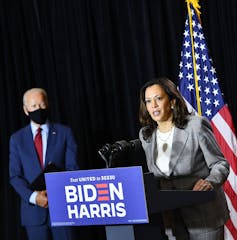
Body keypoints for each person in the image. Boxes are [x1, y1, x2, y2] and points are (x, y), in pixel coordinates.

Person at [138, 77, 230, 240]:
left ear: (172, 101)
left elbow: (220, 164)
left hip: (203, 215)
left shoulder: (195, 126)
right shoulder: (147, 135)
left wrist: (210, 181)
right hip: (171, 219)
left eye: (158, 99)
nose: (153, 106)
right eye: (148, 101)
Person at [9, 88, 79, 240]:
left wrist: (54, 193)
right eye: (34, 106)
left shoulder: (64, 133)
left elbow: (72, 169)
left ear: (47, 104)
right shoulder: (17, 139)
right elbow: (15, 176)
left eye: (42, 104)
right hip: (33, 215)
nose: (39, 109)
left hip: (62, 208)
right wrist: (34, 196)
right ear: (26, 110)